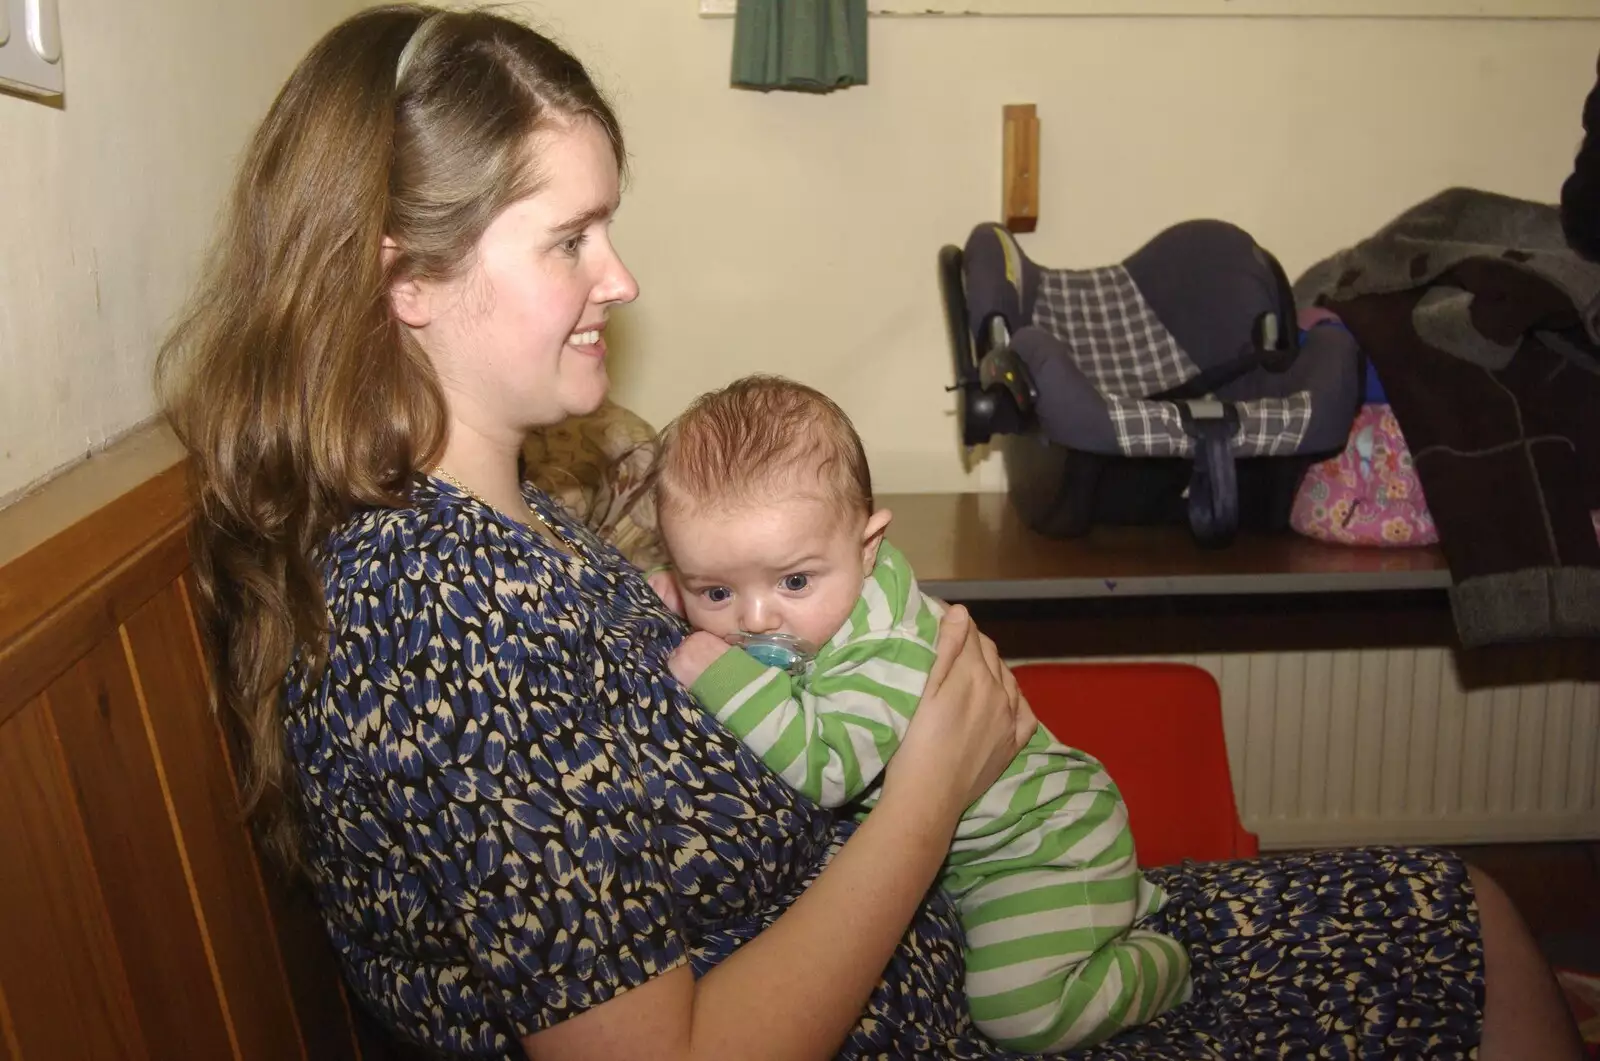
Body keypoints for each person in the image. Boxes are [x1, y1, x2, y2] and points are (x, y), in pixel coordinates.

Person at [155, 4, 1584, 1059]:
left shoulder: (501, 525)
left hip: (925, 961)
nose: (621, 276)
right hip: (920, 1015)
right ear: (406, 279)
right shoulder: (442, 621)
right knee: (1466, 934)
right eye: (570, 238)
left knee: (1459, 909)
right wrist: (927, 787)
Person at [653, 375, 1189, 1052]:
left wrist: (716, 667)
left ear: (868, 547)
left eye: (793, 580)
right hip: (974, 859)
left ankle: (1161, 963)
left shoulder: (886, 643)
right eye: (717, 588)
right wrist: (675, 597)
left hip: (1040, 845)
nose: (756, 618)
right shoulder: (818, 605)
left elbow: (830, 768)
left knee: (1018, 1013)